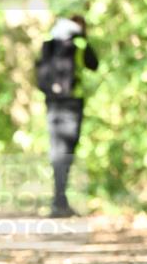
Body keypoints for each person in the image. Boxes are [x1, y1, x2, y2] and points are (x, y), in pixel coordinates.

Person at [35, 14, 99, 217]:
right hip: (72, 103)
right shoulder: (79, 41)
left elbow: (39, 72)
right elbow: (93, 64)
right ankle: (60, 201)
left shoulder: (49, 42)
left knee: (57, 151)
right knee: (67, 151)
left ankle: (58, 201)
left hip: (53, 103)